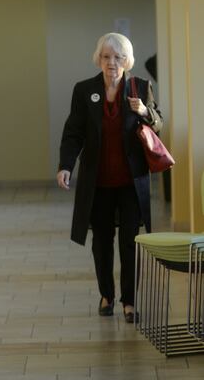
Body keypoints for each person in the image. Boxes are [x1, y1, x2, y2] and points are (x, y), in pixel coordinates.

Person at [57, 32, 163, 324]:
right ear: (99, 59)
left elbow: (158, 124)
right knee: (102, 242)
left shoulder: (139, 86)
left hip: (131, 182)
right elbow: (73, 132)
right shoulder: (84, 90)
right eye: (106, 57)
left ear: (126, 60)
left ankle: (129, 301)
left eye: (117, 57)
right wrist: (66, 165)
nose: (111, 63)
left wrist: (144, 110)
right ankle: (107, 295)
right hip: (98, 182)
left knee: (130, 242)